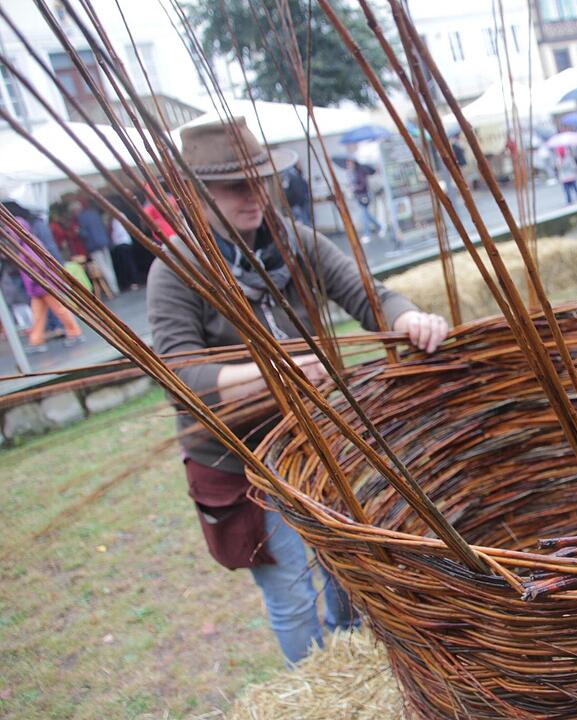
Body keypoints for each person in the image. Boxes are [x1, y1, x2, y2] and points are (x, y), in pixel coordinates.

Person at [147, 118, 448, 666]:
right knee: (290, 588)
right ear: (198, 196)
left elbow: (366, 293)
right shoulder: (177, 269)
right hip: (241, 463)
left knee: (347, 567)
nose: (256, 196)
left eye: (262, 180)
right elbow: (179, 378)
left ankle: (355, 660)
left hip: (314, 445)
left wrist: (410, 318)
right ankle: (317, 682)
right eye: (238, 186)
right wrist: (274, 372)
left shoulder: (293, 240)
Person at [8, 215, 84, 352]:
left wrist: (33, 282)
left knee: (60, 310)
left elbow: (39, 265)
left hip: (44, 285)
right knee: (38, 315)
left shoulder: (28, 245)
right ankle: (36, 341)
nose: (11, 234)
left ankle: (75, 333)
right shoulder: (25, 244)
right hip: (38, 288)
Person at [77, 197, 119, 295]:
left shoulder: (82, 218)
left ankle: (113, 288)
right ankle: (115, 287)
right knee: (109, 265)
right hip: (103, 242)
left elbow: (85, 234)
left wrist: (78, 232)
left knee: (103, 267)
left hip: (94, 245)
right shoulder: (94, 213)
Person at [345, 158, 382, 240]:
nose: (348, 165)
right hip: (359, 196)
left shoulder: (360, 171)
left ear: (354, 163)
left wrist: (354, 188)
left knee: (364, 214)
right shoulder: (351, 173)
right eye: (347, 164)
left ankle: (367, 234)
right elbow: (352, 184)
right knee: (366, 214)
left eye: (350, 163)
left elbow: (363, 185)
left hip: (364, 195)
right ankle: (379, 226)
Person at [107, 206, 141, 290]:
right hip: (123, 242)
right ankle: (132, 281)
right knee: (127, 263)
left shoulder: (118, 217)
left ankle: (134, 281)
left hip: (122, 242)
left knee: (128, 263)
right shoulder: (116, 218)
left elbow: (118, 232)